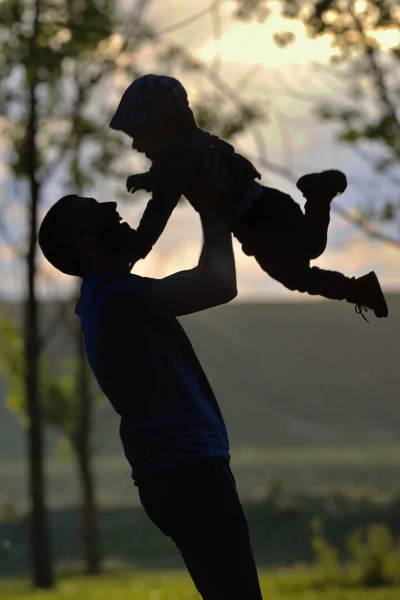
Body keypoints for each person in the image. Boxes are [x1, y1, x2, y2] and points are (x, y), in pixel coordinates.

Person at [38, 151, 264, 600]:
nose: (112, 208)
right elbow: (219, 283)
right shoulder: (116, 298)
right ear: (85, 243)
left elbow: (142, 247)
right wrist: (210, 205)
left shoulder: (110, 296)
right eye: (95, 210)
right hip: (187, 471)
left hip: (179, 469)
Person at [109, 73, 388, 321]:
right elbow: (167, 182)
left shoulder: (181, 160)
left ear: (165, 129)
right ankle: (355, 285)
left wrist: (139, 245)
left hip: (264, 221)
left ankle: (320, 199)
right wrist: (150, 180)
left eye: (138, 135)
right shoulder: (189, 151)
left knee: (303, 262)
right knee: (303, 262)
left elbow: (161, 207)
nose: (135, 145)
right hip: (270, 209)